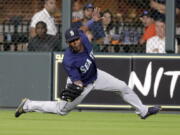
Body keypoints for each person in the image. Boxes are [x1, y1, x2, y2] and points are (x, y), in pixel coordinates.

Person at [15, 8, 161, 120]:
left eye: (76, 39)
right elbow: (77, 80)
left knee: (123, 87)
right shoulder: (69, 60)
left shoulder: (83, 38)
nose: (75, 42)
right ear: (68, 43)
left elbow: (82, 29)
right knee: (62, 110)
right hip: (82, 83)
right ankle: (28, 105)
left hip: (96, 76)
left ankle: (143, 111)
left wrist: (93, 20)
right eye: (71, 41)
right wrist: (78, 86)